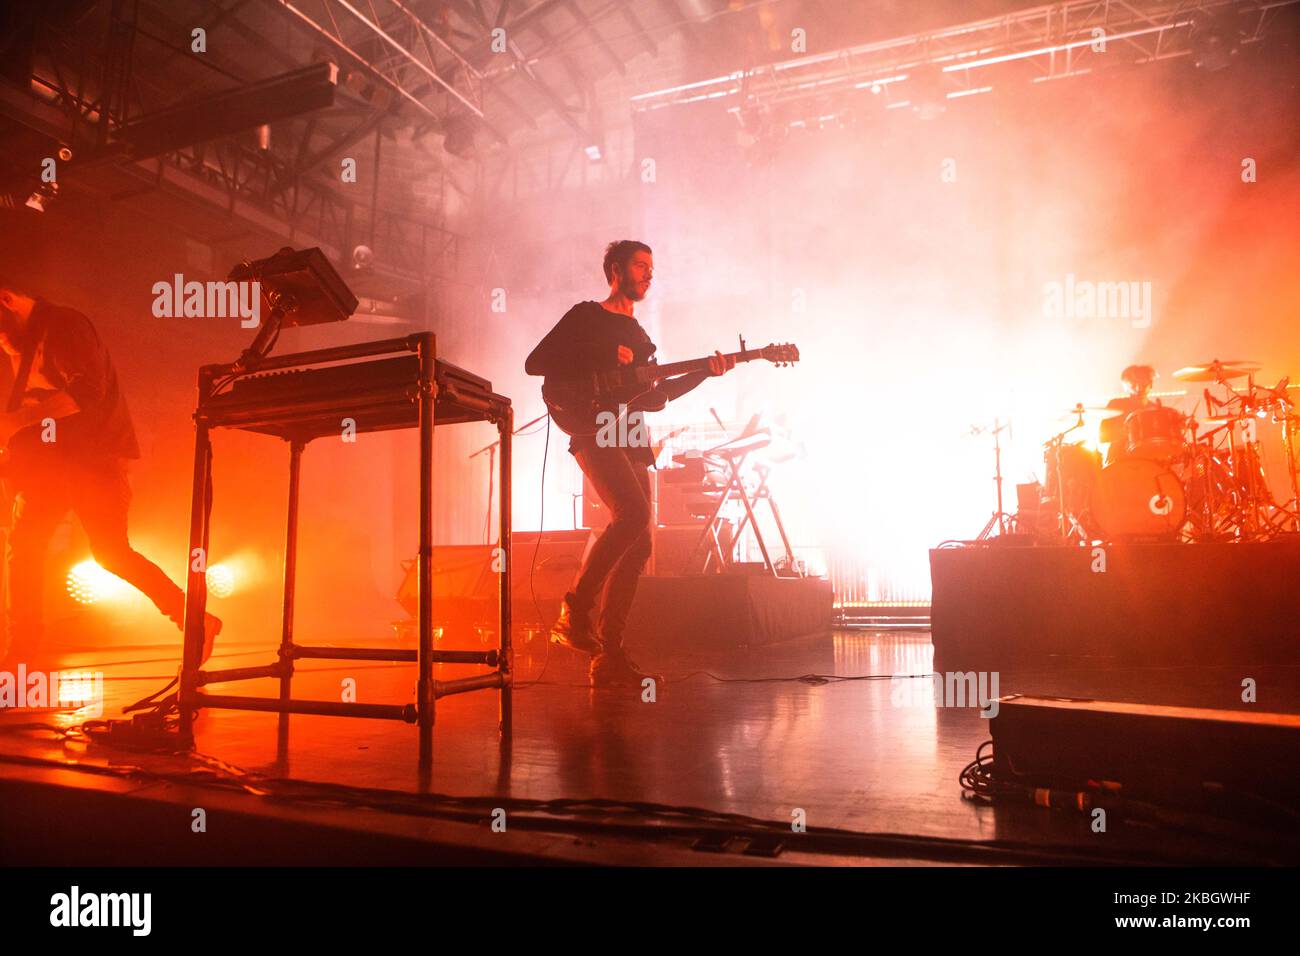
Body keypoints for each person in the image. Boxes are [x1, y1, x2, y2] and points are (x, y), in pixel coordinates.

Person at [525, 240, 733, 687]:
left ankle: (609, 653)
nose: (649, 274)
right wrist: (600, 356)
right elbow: (535, 363)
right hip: (591, 422)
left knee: (639, 544)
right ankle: (574, 611)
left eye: (652, 268)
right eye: (641, 265)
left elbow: (655, 398)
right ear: (616, 271)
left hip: (631, 431)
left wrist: (704, 373)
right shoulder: (586, 316)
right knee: (633, 514)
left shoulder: (641, 339)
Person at [0, 279, 220, 668]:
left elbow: (88, 393)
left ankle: (194, 616)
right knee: (28, 552)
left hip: (92, 461)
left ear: (7, 300)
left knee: (110, 553)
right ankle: (20, 660)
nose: (1, 343)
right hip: (49, 467)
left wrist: (16, 421)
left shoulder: (64, 325)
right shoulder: (25, 342)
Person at [1099, 363, 1158, 464]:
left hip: (1150, 462)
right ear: (1125, 386)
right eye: (1134, 384)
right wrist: (1125, 432)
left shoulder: (1156, 409)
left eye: (1143, 383)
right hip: (1119, 460)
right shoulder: (1116, 405)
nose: (1139, 388)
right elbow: (1103, 437)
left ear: (1151, 384)